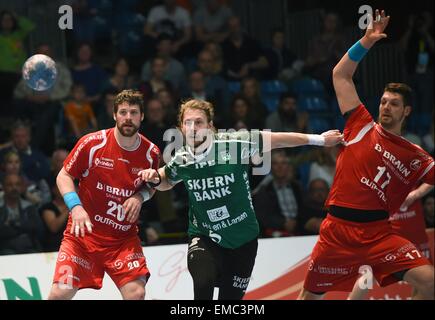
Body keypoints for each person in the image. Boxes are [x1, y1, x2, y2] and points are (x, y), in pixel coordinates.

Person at [138, 98, 343, 300]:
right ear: (181, 128)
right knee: (203, 283)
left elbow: (279, 139)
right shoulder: (182, 158)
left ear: (210, 126)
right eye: (187, 123)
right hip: (205, 235)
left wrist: (320, 140)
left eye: (198, 122)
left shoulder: (236, 144)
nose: (193, 128)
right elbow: (167, 179)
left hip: (243, 239)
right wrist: (155, 178)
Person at [298, 9, 435, 300]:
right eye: (384, 101)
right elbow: (341, 74)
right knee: (308, 298)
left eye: (394, 104)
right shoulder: (360, 123)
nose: (385, 107)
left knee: (429, 281)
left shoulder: (416, 156)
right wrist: (367, 42)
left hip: (378, 234)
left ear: (406, 111)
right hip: (338, 231)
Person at [47, 90, 160, 300]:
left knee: (136, 293)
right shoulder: (92, 144)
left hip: (122, 239)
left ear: (142, 116)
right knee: (59, 293)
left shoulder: (151, 153)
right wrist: (76, 206)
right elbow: (63, 176)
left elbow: (152, 185)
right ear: (114, 115)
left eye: (133, 112)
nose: (128, 117)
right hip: (83, 236)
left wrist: (139, 197)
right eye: (123, 112)